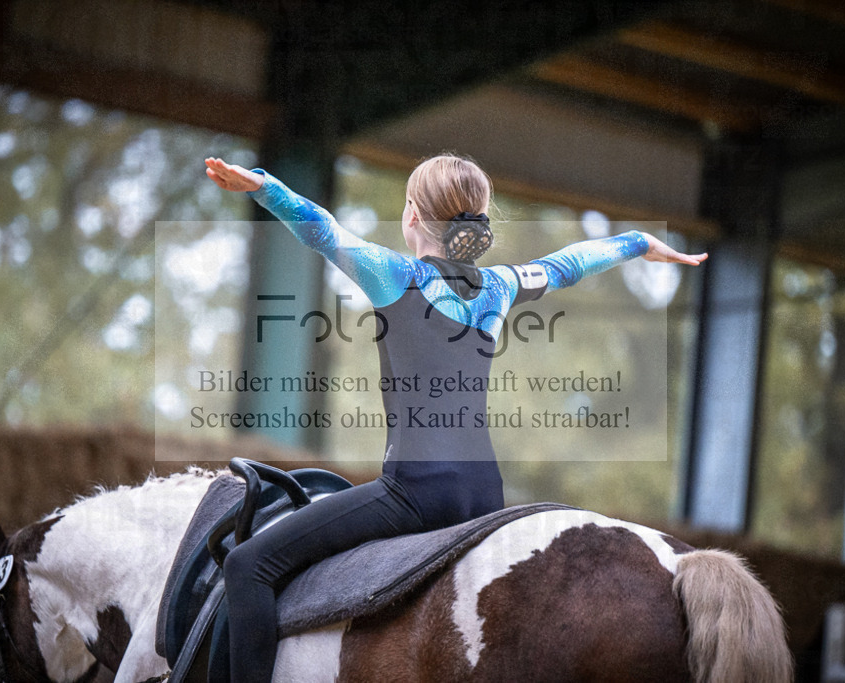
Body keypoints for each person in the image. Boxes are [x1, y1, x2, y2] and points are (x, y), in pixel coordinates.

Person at [203, 153, 706, 683]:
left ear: (413, 217)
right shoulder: (500, 286)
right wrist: (639, 244)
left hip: (414, 492)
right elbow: (570, 261)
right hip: (484, 496)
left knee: (247, 566)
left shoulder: (396, 275)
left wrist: (264, 187)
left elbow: (322, 230)